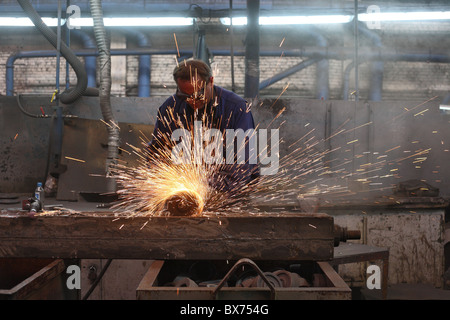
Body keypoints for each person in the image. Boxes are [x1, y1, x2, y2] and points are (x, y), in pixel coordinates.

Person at [148, 59, 259, 193]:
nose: (191, 101)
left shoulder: (236, 108)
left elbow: (243, 165)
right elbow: (157, 152)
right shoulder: (170, 108)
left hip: (230, 194)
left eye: (197, 95)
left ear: (210, 82)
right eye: (184, 95)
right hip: (183, 192)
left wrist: (207, 188)